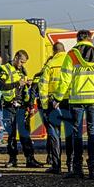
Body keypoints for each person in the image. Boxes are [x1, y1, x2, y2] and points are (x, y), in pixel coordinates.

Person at [53, 30, 94, 180]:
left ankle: (77, 169)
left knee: (76, 133)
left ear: (77, 39)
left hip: (77, 99)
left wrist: (57, 98)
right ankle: (93, 169)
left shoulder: (72, 55)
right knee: (93, 133)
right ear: (90, 39)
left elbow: (65, 79)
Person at [0, 50, 43, 168]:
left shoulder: (23, 70)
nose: (22, 64)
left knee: (25, 134)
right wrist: (17, 83)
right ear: (16, 57)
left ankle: (30, 159)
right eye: (21, 61)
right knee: (11, 135)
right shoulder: (4, 69)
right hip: (9, 106)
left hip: (22, 106)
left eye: (24, 62)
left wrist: (27, 85)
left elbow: (25, 91)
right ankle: (12, 159)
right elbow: (2, 86)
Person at [38, 42, 73, 174]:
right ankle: (71, 165)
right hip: (69, 101)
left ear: (54, 51)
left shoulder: (50, 64)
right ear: (64, 50)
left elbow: (43, 86)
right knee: (70, 134)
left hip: (53, 102)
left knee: (54, 133)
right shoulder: (71, 61)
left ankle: (56, 165)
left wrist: (45, 105)